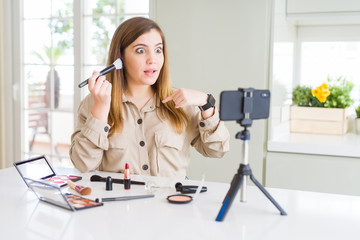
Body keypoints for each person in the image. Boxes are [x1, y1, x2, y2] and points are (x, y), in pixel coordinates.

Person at [70, 17, 230, 178]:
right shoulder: (93, 103)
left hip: (170, 202)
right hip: (118, 202)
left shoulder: (181, 103)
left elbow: (217, 151)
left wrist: (206, 104)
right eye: (141, 50)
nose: (152, 59)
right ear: (121, 58)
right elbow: (83, 164)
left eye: (158, 50)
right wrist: (100, 109)